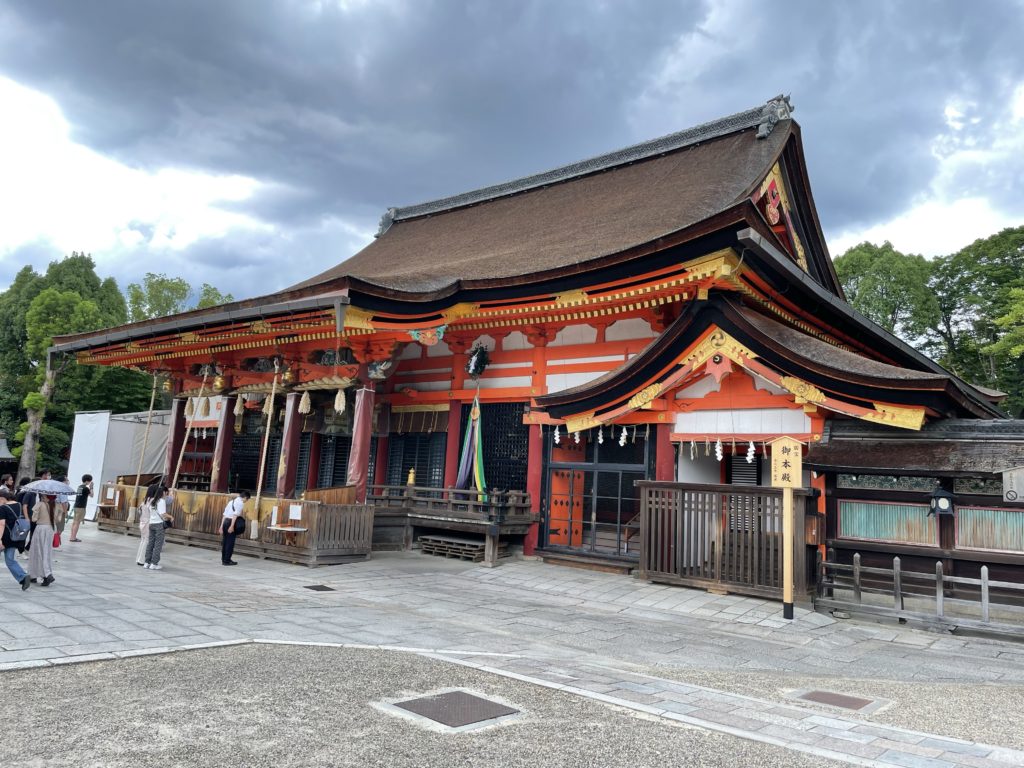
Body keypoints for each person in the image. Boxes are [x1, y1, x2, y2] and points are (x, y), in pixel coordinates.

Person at [0, 497, 30, 590]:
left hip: (4, 537)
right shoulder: (19, 505)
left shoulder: (3, 508)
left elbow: (1, 524)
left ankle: (22, 576)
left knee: (10, 560)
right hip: (14, 536)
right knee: (10, 560)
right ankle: (23, 576)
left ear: (2, 498)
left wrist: (0, 539)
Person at [28, 493, 57, 586]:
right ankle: (41, 574)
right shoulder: (56, 505)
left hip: (40, 529)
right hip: (50, 529)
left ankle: (44, 575)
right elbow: (59, 519)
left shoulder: (40, 504)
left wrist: (36, 512)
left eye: (44, 495)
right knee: (46, 552)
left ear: (46, 497)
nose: (42, 497)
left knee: (36, 552)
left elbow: (34, 519)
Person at [143, 485, 172, 570]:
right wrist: (171, 517)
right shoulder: (161, 501)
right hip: (159, 524)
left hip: (151, 524)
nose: (165, 493)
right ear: (161, 493)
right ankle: (154, 563)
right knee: (158, 545)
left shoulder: (152, 501)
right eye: (164, 492)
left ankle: (146, 562)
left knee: (150, 544)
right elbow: (163, 513)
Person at [221, 490, 250, 566]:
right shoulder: (240, 503)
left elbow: (224, 514)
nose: (246, 501)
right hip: (231, 522)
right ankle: (227, 560)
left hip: (225, 522)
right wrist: (232, 526)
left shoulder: (231, 502)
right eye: (247, 500)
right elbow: (235, 515)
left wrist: (221, 526)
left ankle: (224, 559)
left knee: (225, 541)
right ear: (245, 498)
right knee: (230, 543)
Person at [70, 474, 92, 542]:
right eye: (90, 481)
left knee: (74, 522)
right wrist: (91, 487)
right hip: (81, 507)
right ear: (87, 481)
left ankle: (72, 536)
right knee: (77, 522)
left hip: (76, 506)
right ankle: (73, 537)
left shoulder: (80, 487)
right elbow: (92, 495)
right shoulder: (86, 488)